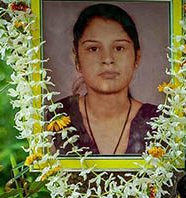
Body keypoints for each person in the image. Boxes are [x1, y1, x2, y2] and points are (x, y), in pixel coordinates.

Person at [52, 3, 159, 156]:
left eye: (119, 48)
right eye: (93, 49)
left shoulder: (159, 121)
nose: (107, 59)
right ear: (77, 59)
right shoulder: (56, 117)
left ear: (137, 57)